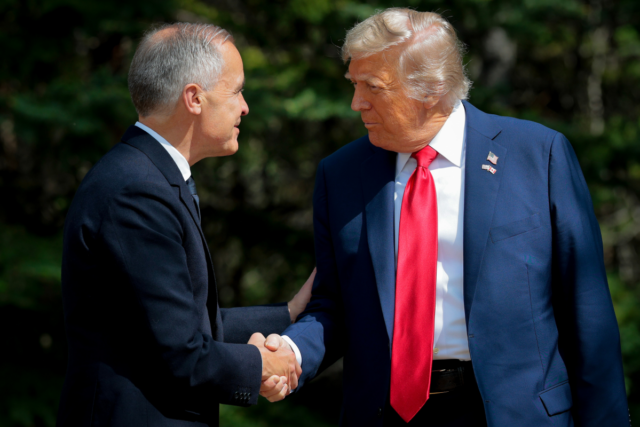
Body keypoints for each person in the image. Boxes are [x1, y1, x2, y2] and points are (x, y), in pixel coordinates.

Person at [262, 8, 630, 427]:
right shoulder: (341, 175)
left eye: (372, 87)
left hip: (514, 414)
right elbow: (334, 305)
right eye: (354, 84)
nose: (356, 102)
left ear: (432, 88)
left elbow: (587, 313)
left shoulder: (538, 156)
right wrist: (291, 354)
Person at [57, 23, 312, 427]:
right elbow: (181, 351)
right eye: (236, 91)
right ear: (194, 98)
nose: (245, 106)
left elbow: (181, 323)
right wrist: (262, 364)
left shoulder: (147, 177)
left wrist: (291, 313)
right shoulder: (136, 192)